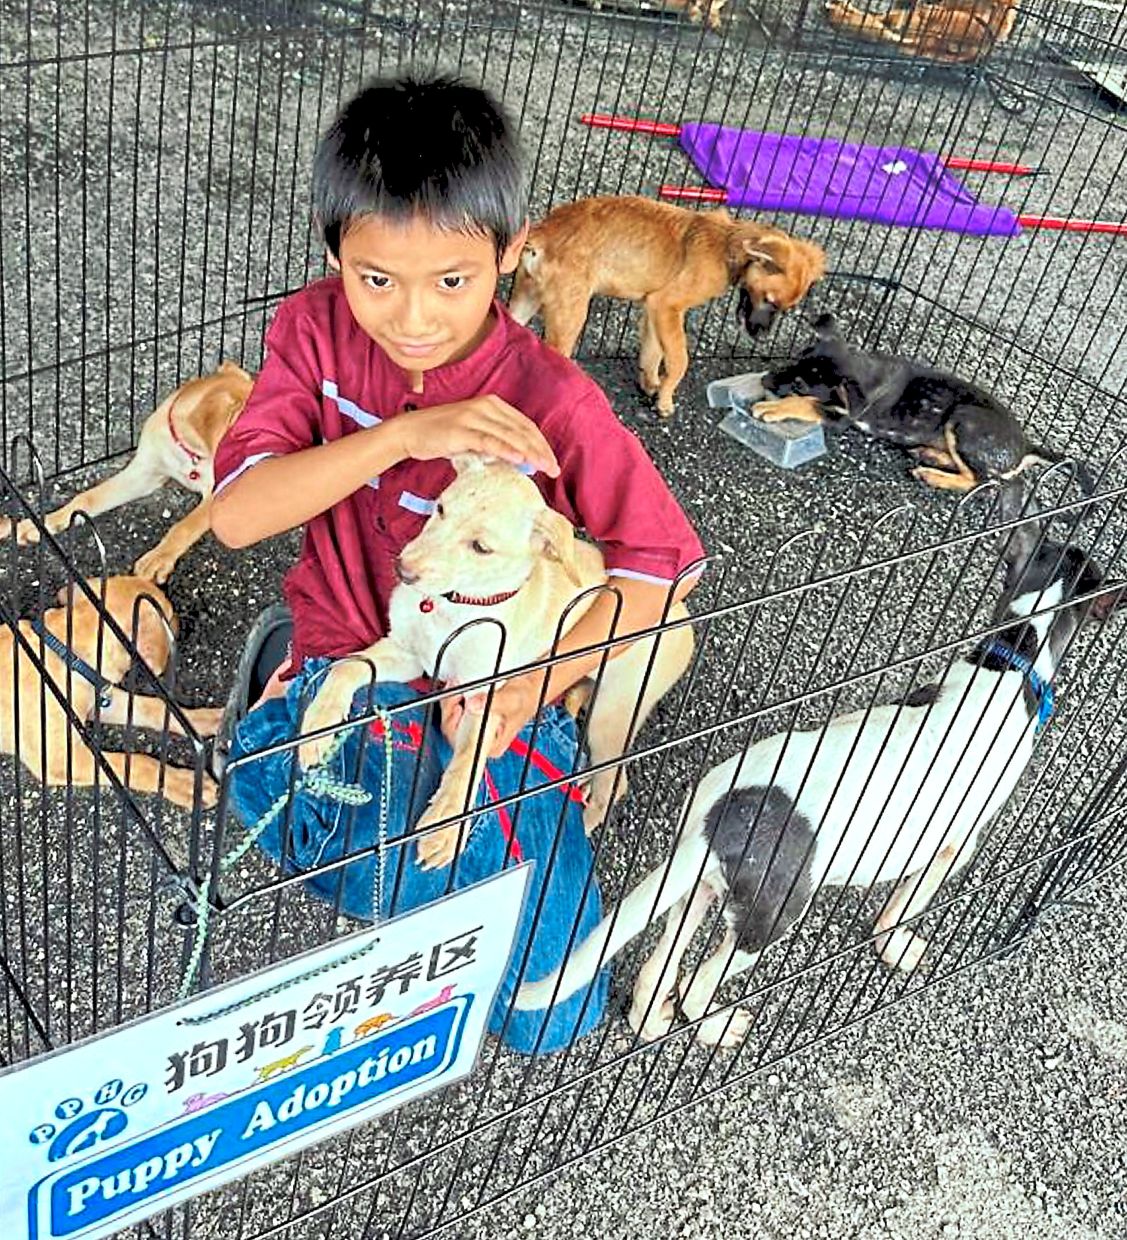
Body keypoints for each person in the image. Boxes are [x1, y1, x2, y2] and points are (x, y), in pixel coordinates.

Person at [210, 72, 704, 1054]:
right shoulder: (311, 328)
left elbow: (657, 573)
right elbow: (235, 518)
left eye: (451, 280)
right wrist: (406, 434)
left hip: (491, 675)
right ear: (333, 254)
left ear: (510, 254)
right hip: (364, 649)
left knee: (549, 1012)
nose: (413, 319)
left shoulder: (551, 396)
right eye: (375, 280)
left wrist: (532, 687)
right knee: (332, 845)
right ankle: (294, 665)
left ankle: (505, 777)